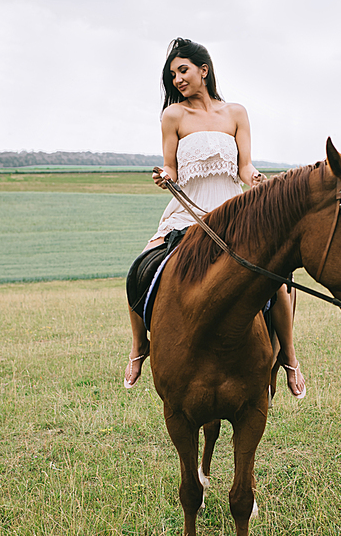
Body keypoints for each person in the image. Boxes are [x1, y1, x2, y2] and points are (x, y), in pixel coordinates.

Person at [124, 37, 306, 398]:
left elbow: (244, 165)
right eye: (172, 74)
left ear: (203, 70)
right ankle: (139, 346)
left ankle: (289, 357)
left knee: (278, 280)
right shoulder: (173, 116)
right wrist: (165, 177)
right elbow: (172, 167)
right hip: (187, 211)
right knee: (140, 267)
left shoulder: (235, 112)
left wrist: (253, 178)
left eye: (183, 70)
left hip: (233, 212)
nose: (177, 79)